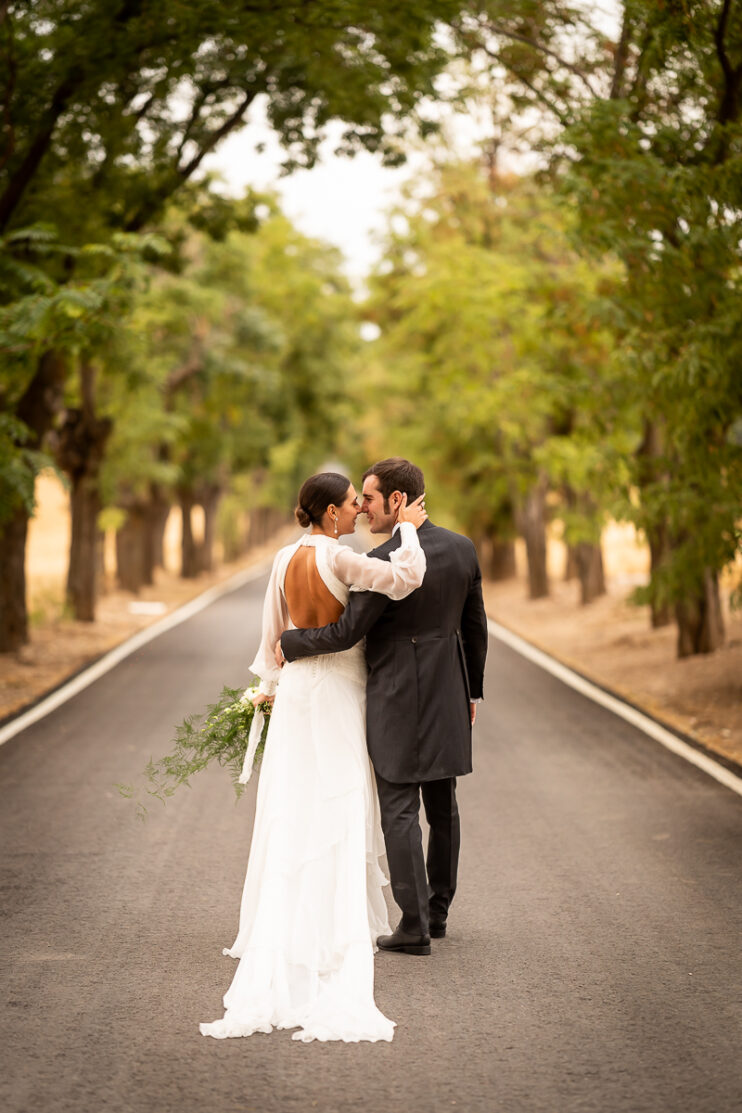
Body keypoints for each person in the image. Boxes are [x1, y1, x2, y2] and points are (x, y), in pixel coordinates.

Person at [199, 471, 428, 1044]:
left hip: (298, 693)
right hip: (337, 694)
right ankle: (330, 928)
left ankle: (290, 924)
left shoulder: (280, 560)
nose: (357, 512)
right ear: (330, 513)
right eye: (352, 504)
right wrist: (410, 530)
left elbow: (272, 639)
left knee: (292, 807)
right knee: (341, 803)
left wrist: (270, 690)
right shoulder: (344, 559)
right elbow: (407, 577)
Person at [279, 458, 488, 956]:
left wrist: (291, 644)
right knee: (444, 805)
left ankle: (412, 927)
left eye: (369, 499)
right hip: (448, 690)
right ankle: (438, 915)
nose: (364, 509)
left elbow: (348, 632)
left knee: (398, 806)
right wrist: (472, 691)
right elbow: (475, 625)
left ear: (397, 501)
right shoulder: (462, 549)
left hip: (395, 691)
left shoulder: (385, 559)